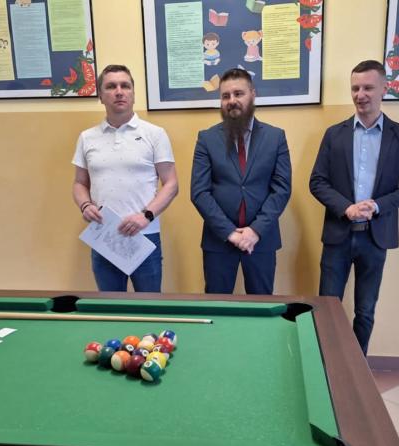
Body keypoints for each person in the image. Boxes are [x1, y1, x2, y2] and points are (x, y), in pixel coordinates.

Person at [309, 60, 399, 355]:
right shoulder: (334, 134)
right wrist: (346, 208)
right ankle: (326, 364)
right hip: (338, 236)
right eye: (355, 88)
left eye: (368, 88)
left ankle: (357, 367)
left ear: (385, 89)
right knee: (326, 307)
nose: (360, 95)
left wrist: (378, 206)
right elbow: (317, 182)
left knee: (365, 311)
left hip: (375, 237)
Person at [72, 64, 178, 292]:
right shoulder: (87, 138)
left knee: (149, 306)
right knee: (111, 306)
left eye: (125, 86)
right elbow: (80, 183)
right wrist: (85, 205)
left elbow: (171, 184)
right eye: (111, 86)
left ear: (133, 93)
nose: (119, 91)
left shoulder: (155, 134)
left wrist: (146, 216)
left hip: (145, 236)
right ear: (101, 96)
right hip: (104, 237)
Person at [191, 68, 291, 294]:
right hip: (218, 240)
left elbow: (281, 190)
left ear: (253, 94)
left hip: (261, 240)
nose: (232, 101)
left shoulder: (275, 137)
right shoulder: (206, 139)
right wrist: (230, 233)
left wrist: (255, 231)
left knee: (261, 304)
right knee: (217, 305)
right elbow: (199, 192)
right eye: (225, 96)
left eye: (238, 94)